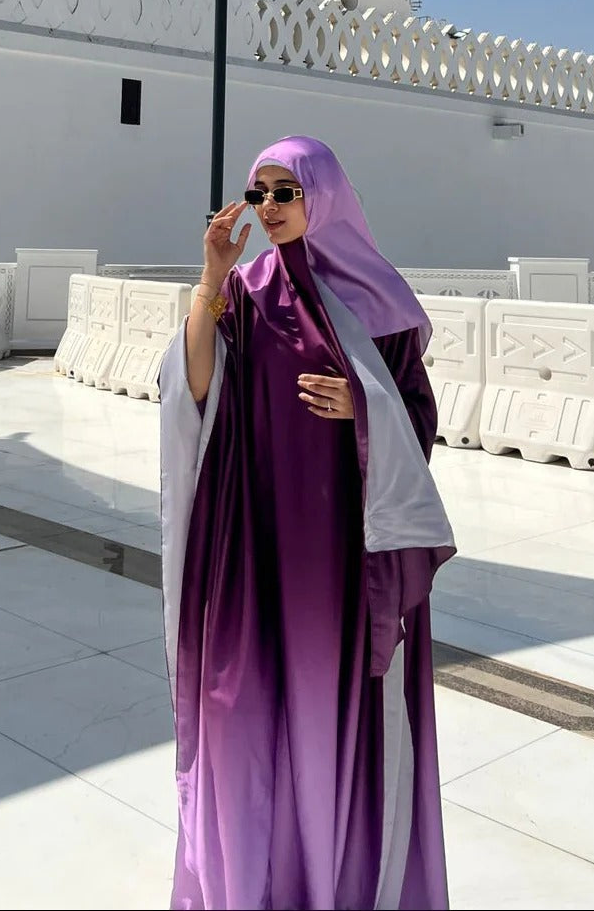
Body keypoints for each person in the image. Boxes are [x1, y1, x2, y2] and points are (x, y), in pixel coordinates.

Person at [160, 136, 455, 911]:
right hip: (254, 533)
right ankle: (253, 879)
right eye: (257, 194)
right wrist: (209, 280)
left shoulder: (377, 301)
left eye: (284, 192)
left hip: (340, 546)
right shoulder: (249, 290)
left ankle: (339, 875)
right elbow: (195, 387)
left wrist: (365, 406)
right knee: (242, 706)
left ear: (321, 196)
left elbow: (418, 420)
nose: (267, 208)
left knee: (330, 704)